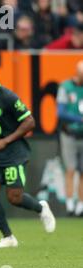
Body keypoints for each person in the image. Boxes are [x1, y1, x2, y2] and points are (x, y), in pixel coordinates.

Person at [0, 59, 56, 248]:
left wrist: (5, 140)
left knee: (14, 197)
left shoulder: (7, 96)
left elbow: (30, 122)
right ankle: (8, 237)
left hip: (14, 152)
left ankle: (41, 208)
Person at [56, 60, 83, 216]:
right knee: (71, 169)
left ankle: (80, 205)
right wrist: (79, 119)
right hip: (69, 134)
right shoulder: (66, 87)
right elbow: (61, 112)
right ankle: (69, 204)